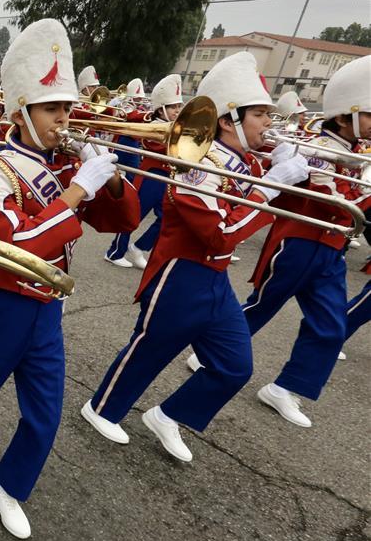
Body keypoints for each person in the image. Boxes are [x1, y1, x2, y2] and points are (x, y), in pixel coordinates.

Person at [0, 18, 139, 538]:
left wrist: (109, 181)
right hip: (7, 301)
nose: (65, 119)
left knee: (46, 412)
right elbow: (14, 246)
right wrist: (75, 194)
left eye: (67, 107)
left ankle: (9, 485)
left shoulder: (67, 168)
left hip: (49, 308)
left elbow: (123, 221)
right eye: (52, 109)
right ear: (23, 111)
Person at [80, 52, 310, 462]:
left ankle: (168, 415)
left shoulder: (246, 163)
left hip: (216, 279)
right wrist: (271, 186)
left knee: (236, 367)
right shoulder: (195, 166)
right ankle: (101, 408)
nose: (269, 123)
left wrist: (277, 174)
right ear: (228, 119)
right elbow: (220, 236)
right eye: (261, 113)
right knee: (151, 350)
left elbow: (243, 219)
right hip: (181, 273)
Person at [189, 55, 371, 428]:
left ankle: (287, 388)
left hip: (331, 250)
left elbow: (350, 210)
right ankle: (206, 350)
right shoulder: (312, 145)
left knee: (331, 326)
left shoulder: (355, 154)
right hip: (298, 242)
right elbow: (333, 205)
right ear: (345, 115)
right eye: (369, 114)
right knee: (262, 305)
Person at [104, 74, 184, 269]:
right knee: (133, 217)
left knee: (167, 218)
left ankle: (139, 247)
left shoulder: (176, 127)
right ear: (162, 109)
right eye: (173, 107)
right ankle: (114, 252)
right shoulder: (152, 128)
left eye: (178, 107)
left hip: (168, 178)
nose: (178, 111)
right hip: (150, 177)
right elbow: (159, 148)